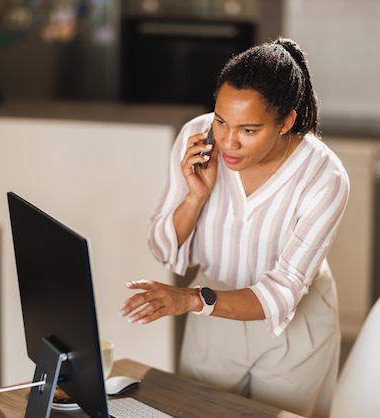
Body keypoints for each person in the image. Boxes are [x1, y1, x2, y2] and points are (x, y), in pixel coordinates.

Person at [119, 37, 350, 418]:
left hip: (295, 329)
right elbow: (162, 248)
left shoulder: (324, 177)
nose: (228, 141)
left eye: (248, 130)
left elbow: (282, 293)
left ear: (286, 121)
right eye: (222, 120)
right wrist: (195, 196)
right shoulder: (199, 139)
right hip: (214, 315)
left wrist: (191, 299)